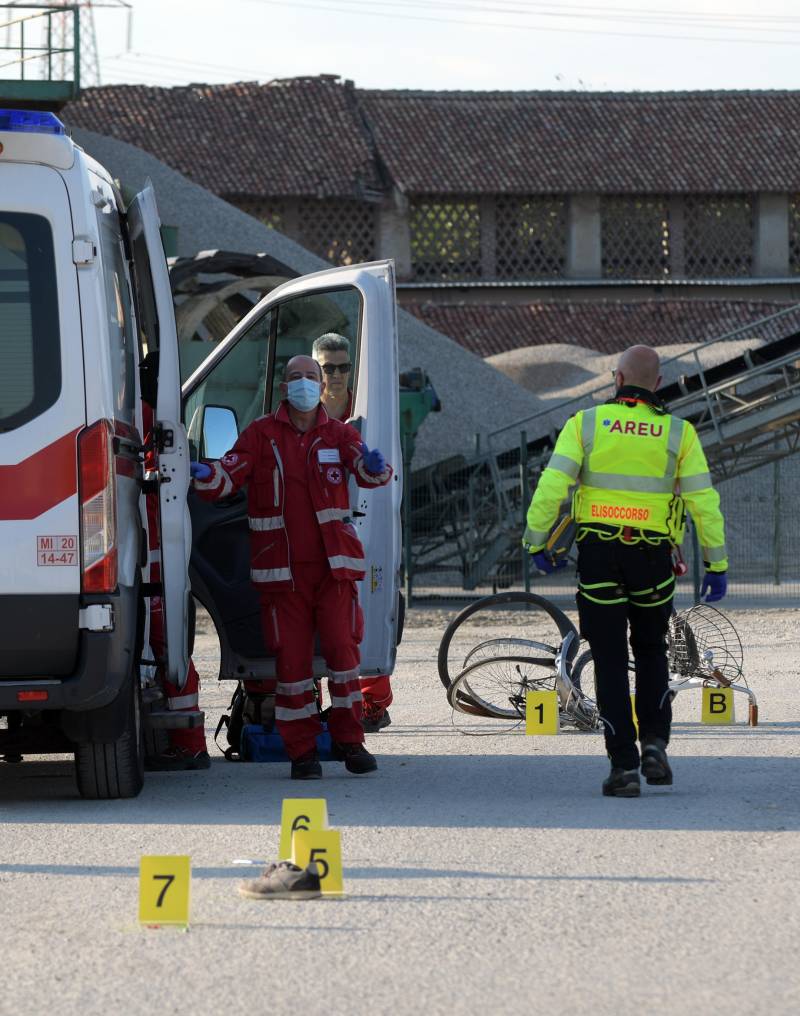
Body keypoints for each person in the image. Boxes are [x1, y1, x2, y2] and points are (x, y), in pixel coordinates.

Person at [523, 344, 727, 798]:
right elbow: (704, 504)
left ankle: (623, 767)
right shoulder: (679, 433)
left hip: (598, 555)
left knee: (611, 659)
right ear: (657, 385)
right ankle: (655, 743)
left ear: (616, 379)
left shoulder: (586, 424)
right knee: (652, 650)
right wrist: (716, 562)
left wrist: (536, 540)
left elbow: (551, 486)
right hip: (653, 559)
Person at [191, 354, 393, 779]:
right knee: (293, 668)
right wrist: (201, 474)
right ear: (284, 386)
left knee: (343, 655)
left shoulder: (338, 434)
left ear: (321, 387)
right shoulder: (261, 434)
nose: (303, 383)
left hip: (334, 570)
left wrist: (376, 468)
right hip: (282, 576)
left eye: (310, 377)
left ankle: (350, 741)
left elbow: (371, 472)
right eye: (295, 377)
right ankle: (302, 752)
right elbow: (227, 477)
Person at [311, 332, 393, 733]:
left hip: (365, 521)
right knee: (322, 622)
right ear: (316, 371)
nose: (338, 375)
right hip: (319, 533)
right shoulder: (306, 416)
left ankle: (374, 702)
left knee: (363, 613)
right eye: (329, 368)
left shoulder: (365, 412)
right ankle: (327, 704)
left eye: (344, 366)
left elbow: (379, 469)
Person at [139, 354, 210, 771]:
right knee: (168, 648)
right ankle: (186, 741)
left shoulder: (145, 422)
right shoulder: (158, 423)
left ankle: (188, 744)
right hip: (155, 561)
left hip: (153, 563)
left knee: (167, 649)